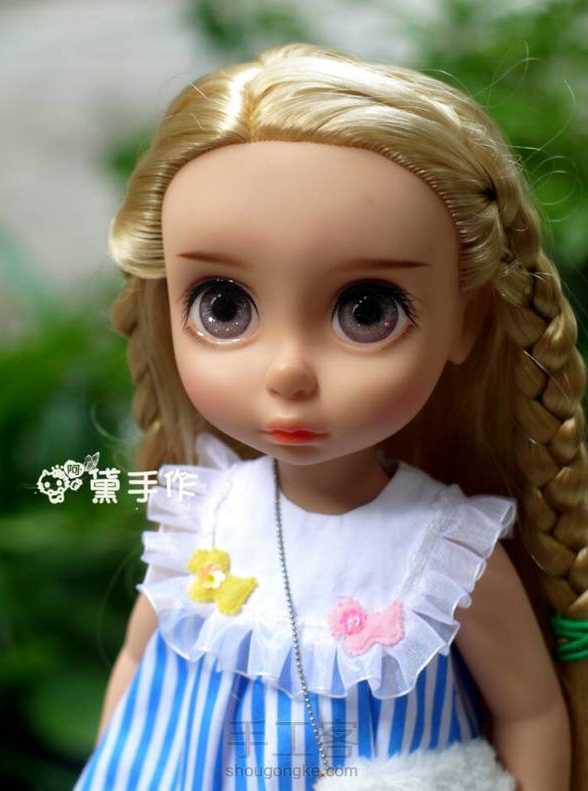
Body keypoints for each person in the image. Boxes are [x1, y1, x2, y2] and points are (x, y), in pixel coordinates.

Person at [74, 42, 587, 790]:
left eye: (367, 310)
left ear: (465, 322)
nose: (287, 371)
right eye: (223, 305)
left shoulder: (443, 552)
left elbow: (532, 712)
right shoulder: (204, 517)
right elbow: (137, 664)